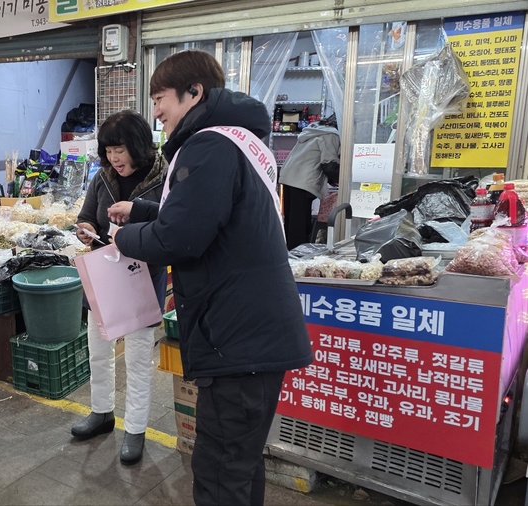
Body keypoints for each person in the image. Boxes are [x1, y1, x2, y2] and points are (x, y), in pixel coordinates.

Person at [111, 50, 313, 505]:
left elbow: (179, 237)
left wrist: (122, 239)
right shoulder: (240, 140)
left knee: (220, 470)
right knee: (238, 463)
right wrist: (142, 211)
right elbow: (210, 216)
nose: (156, 110)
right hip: (253, 337)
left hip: (237, 341)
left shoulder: (209, 144)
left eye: (160, 97)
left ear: (194, 93)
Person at [71, 110, 168, 465]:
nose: (113, 158)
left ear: (139, 146)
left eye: (120, 149)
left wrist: (138, 210)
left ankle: (136, 430)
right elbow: (87, 215)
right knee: (98, 348)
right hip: (104, 274)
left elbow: (174, 219)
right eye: (108, 150)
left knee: (140, 358)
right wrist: (84, 227)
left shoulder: (164, 175)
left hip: (143, 275)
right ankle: (102, 413)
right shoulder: (103, 178)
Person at [278, 116, 340, 249]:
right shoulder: (331, 135)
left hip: (288, 176)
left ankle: (289, 254)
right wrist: (342, 180)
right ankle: (298, 258)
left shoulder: (313, 131)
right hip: (303, 181)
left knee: (291, 222)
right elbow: (329, 164)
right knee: (299, 225)